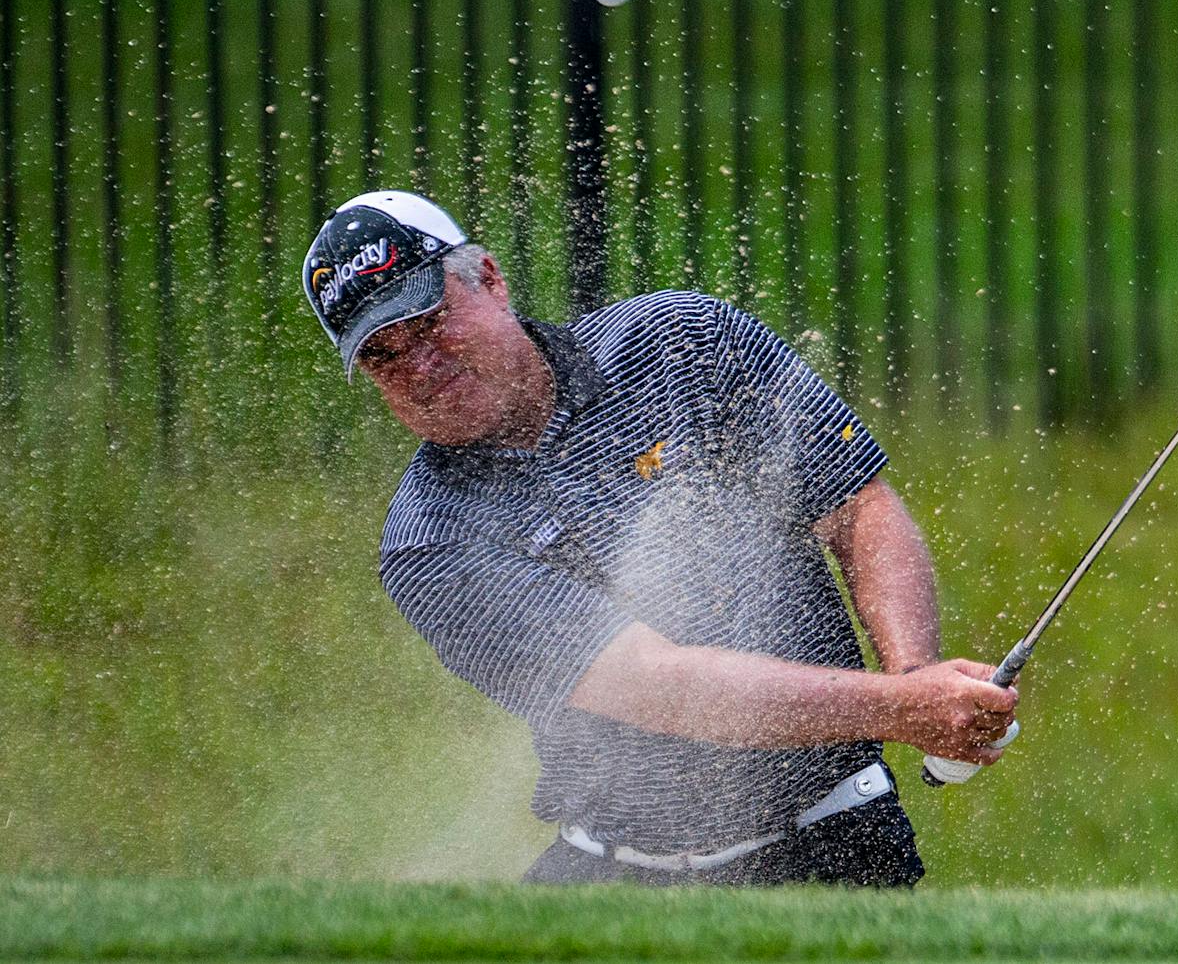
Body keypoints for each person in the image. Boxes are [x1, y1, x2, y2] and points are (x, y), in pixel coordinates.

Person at [301, 190, 1019, 887]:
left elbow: (856, 508)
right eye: (383, 356)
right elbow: (664, 685)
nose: (420, 367)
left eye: (428, 324)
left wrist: (915, 677)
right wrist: (904, 709)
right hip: (621, 873)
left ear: (490, 279)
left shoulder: (680, 341)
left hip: (834, 838)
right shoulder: (430, 542)